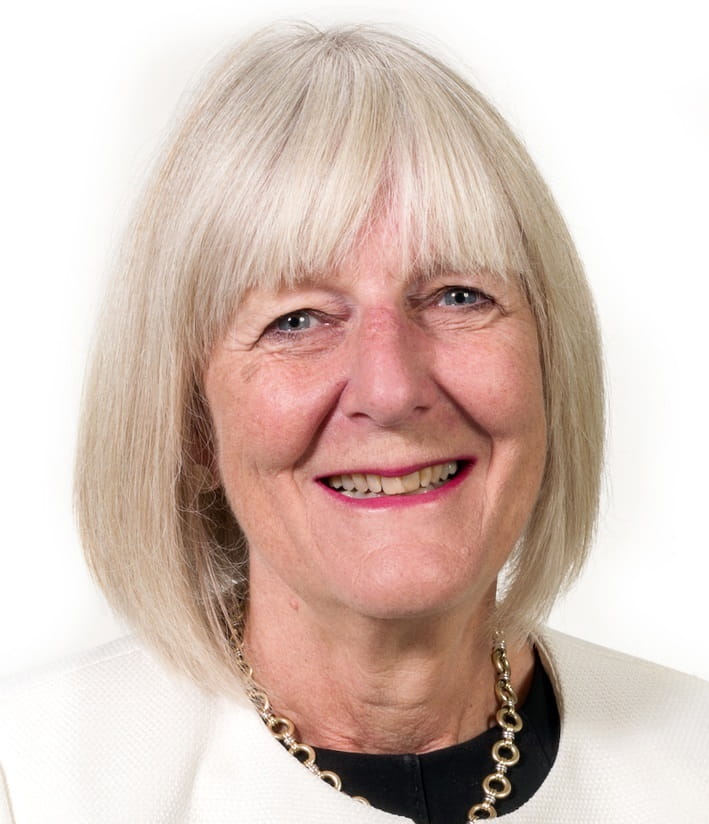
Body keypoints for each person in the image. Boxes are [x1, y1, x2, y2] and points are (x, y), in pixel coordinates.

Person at [1, 22, 707, 824]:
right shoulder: (32, 785)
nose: (390, 386)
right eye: (298, 320)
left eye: (456, 296)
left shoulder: (695, 765)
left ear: (551, 368)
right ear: (193, 424)